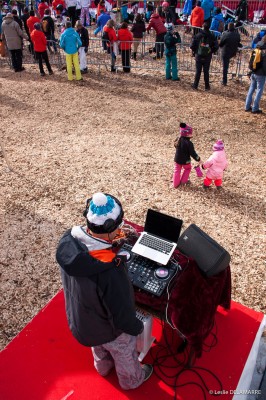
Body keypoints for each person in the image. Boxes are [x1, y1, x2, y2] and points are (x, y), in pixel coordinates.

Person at [56, 192, 153, 390]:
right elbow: (122, 314)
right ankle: (132, 380)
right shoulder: (110, 270)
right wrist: (136, 328)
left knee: (99, 347)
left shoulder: (68, 242)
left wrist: (113, 240)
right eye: (117, 226)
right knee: (124, 349)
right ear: (110, 227)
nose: (120, 228)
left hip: (83, 323)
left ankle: (103, 367)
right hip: (109, 330)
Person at [190, 21, 218, 90]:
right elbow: (216, 46)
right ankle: (207, 86)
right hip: (207, 56)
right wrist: (211, 51)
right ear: (209, 28)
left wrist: (195, 51)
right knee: (206, 71)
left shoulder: (198, 35)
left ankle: (195, 85)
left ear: (202, 27)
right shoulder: (212, 36)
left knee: (198, 71)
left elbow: (192, 45)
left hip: (198, 55)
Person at [173, 123, 201, 188]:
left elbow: (175, 146)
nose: (192, 134)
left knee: (177, 170)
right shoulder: (189, 143)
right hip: (186, 161)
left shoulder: (178, 139)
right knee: (188, 169)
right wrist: (198, 159)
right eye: (191, 133)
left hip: (177, 159)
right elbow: (193, 153)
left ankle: (175, 184)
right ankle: (183, 182)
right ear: (187, 134)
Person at [245, 35, 266, 114]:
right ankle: (255, 108)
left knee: (251, 89)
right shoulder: (264, 51)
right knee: (259, 90)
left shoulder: (257, 47)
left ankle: (247, 106)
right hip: (260, 74)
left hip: (253, 71)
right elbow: (264, 65)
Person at [219, 22, 242, 86]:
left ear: (228, 27)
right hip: (233, 52)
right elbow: (238, 42)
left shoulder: (225, 34)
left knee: (225, 67)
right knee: (226, 66)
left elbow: (221, 44)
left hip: (225, 52)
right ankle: (225, 80)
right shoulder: (237, 35)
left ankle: (224, 81)